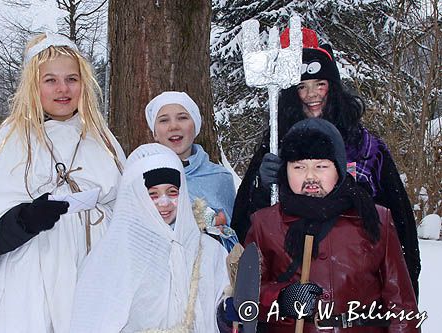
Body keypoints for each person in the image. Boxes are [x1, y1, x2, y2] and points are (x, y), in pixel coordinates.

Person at [231, 28, 421, 297]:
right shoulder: (276, 143)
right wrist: (260, 186)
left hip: (357, 289)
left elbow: (400, 230)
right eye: (301, 87)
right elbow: (247, 231)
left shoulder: (367, 149)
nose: (312, 95)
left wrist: (406, 294)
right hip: (291, 292)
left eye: (320, 84)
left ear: (333, 88)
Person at [0, 32, 125, 333]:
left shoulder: (102, 140)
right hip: (29, 283)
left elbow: (128, 210)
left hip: (95, 275)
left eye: (72, 79)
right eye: (50, 80)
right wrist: (25, 220)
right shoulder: (11, 140)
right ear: (33, 86)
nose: (63, 89)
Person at [245, 118, 420, 332]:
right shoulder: (264, 224)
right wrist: (280, 298)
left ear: (339, 168)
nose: (310, 176)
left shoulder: (375, 220)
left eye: (321, 166)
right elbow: (246, 297)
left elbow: (401, 305)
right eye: (298, 167)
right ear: (285, 170)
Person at [69, 143, 230, 332]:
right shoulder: (112, 258)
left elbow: (222, 304)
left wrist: (227, 311)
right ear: (136, 196)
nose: (165, 203)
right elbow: (93, 322)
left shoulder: (209, 250)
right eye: (153, 194)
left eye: (172, 192)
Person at [145, 91, 238, 251]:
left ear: (195, 126)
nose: (174, 126)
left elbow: (232, 237)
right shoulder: (139, 177)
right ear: (154, 132)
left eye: (182, 118)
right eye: (164, 120)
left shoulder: (219, 178)